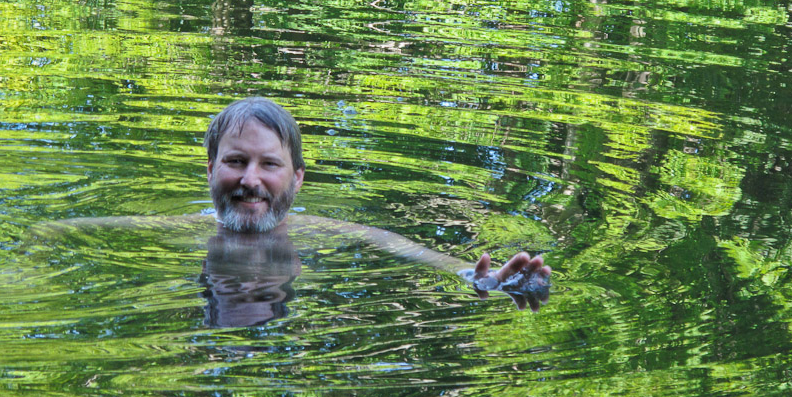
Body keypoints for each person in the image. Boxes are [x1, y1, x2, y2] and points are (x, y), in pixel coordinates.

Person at [203, 96, 551, 311]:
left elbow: (423, 256)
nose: (250, 180)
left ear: (297, 179)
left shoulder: (339, 232)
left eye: (269, 164)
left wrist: (481, 279)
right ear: (210, 170)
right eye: (236, 161)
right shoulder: (177, 230)